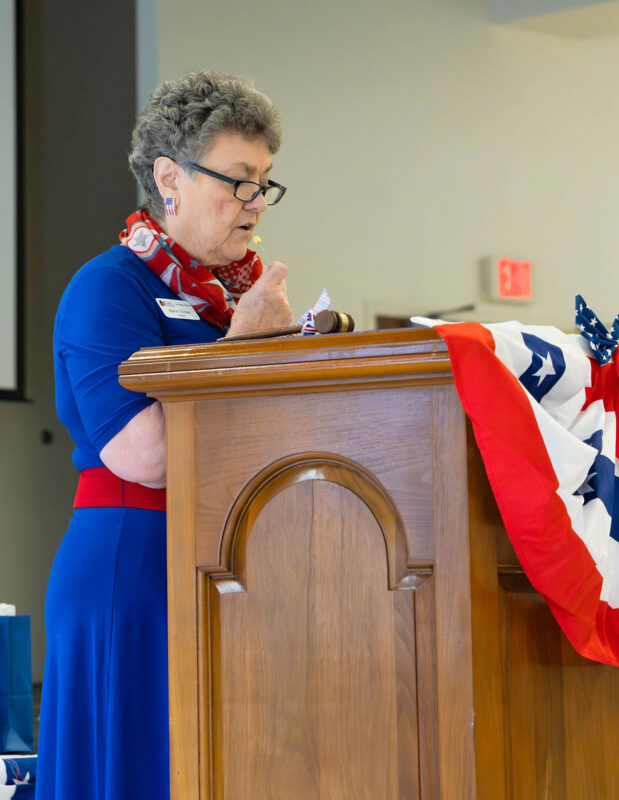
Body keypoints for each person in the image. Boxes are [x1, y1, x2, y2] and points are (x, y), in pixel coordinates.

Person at [36, 70, 293, 800]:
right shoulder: (108, 287)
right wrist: (244, 351)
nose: (253, 204)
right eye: (239, 181)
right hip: (134, 566)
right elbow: (143, 454)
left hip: (233, 567)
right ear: (169, 177)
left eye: (264, 183)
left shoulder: (236, 299)